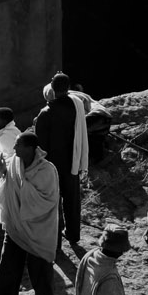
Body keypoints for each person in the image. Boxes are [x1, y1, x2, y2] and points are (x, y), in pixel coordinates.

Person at [0, 131, 61, 295]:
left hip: (38, 227)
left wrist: (22, 189)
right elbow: (10, 183)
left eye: (18, 145)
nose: (14, 147)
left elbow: (47, 200)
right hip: (16, 223)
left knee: (39, 265)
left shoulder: (47, 170)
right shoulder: (14, 163)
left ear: (30, 149)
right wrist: (3, 171)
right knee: (8, 262)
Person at [32, 72, 90, 249]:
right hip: (72, 161)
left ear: (52, 88)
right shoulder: (76, 106)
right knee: (72, 200)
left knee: (53, 203)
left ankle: (55, 241)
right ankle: (73, 234)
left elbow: (40, 146)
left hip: (52, 165)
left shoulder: (46, 113)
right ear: (68, 88)